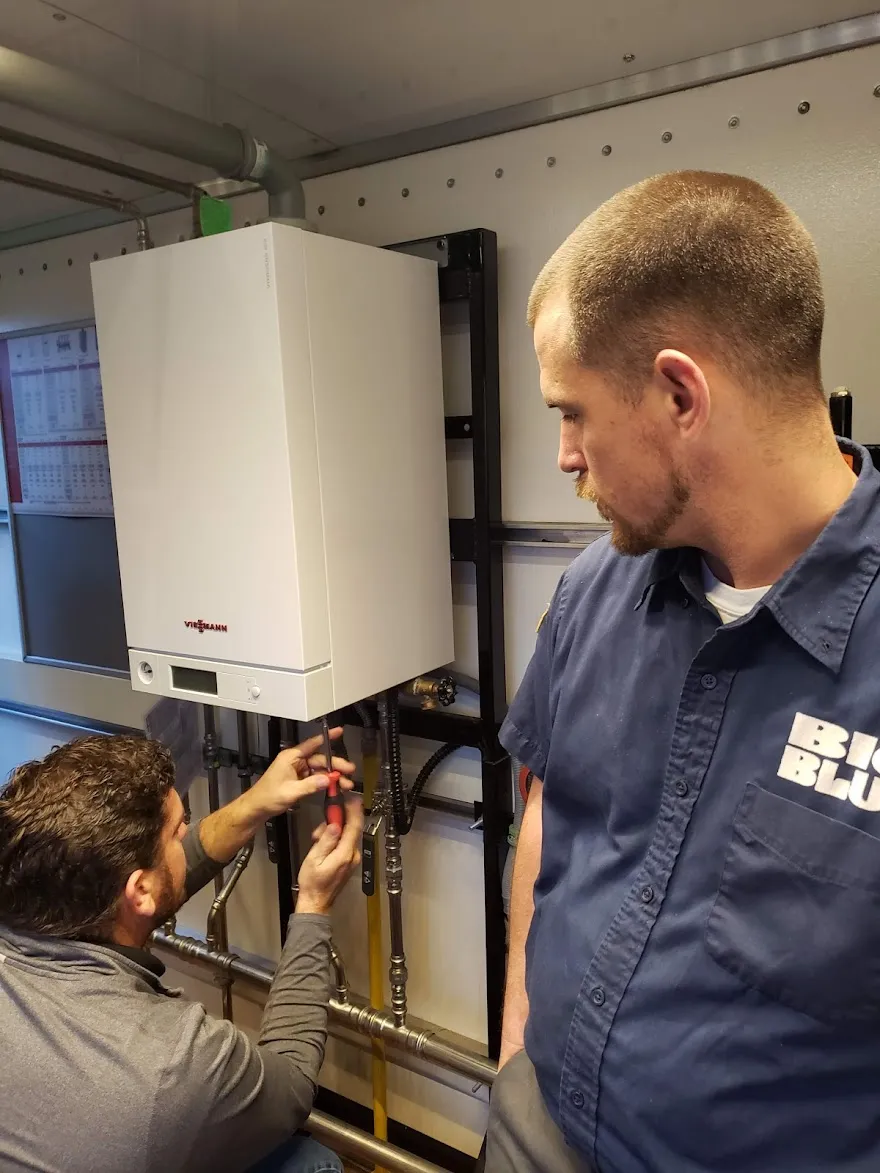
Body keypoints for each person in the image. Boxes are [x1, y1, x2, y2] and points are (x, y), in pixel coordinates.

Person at [487, 170, 880, 1173]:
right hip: (535, 1124)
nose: (564, 457)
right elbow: (550, 812)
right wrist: (516, 1044)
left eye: (572, 411)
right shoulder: (593, 591)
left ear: (679, 395)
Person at [0, 729, 364, 1173]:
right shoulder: (174, 1061)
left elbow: (146, 889)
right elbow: (290, 1088)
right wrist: (313, 906)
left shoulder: (38, 901)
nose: (187, 833)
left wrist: (253, 805)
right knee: (309, 1162)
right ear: (139, 889)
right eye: (177, 832)